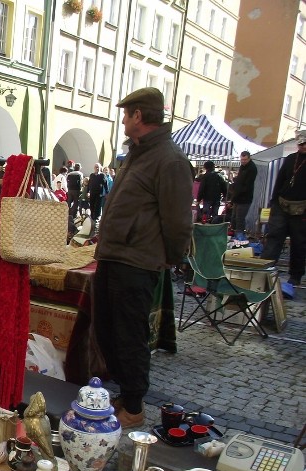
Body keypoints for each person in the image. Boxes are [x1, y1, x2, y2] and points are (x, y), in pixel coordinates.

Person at [93, 87, 193, 429]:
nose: (123, 118)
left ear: (139, 115)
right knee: (106, 329)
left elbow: (178, 220)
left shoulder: (170, 159)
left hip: (137, 260)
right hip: (113, 254)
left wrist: (169, 258)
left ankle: (134, 406)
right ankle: (125, 390)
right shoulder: (137, 153)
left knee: (129, 333)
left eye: (126, 113)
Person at [262, 132, 306, 286]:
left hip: (301, 209)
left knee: (299, 243)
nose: (304, 146)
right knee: (274, 237)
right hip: (281, 204)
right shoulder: (290, 159)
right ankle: (265, 270)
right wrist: (273, 202)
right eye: (301, 144)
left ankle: (295, 275)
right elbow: (280, 180)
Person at [86, 163, 109, 228]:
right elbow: (89, 184)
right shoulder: (92, 175)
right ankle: (92, 216)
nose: (97, 168)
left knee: (98, 206)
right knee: (92, 205)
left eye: (98, 167)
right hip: (92, 193)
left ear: (100, 168)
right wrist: (88, 192)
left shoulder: (102, 175)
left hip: (99, 193)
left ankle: (96, 217)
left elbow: (105, 184)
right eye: (96, 167)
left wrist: (107, 192)